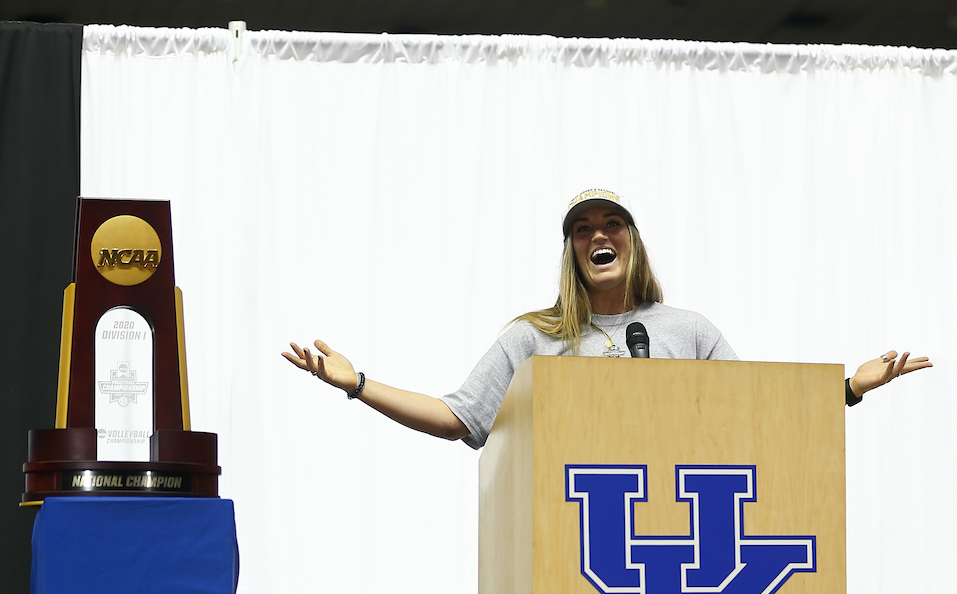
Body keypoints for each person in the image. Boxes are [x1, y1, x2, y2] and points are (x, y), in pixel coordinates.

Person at [282, 190, 932, 445]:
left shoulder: (689, 331)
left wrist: (847, 390)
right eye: (584, 228)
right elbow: (460, 417)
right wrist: (359, 384)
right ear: (571, 251)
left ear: (632, 240)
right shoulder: (532, 338)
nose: (600, 234)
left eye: (612, 223)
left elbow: (755, 410)